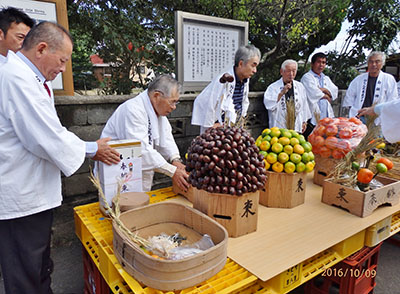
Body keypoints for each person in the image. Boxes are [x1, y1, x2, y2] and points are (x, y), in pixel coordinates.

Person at [0, 21, 120, 294]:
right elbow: (46, 136)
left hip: (32, 193)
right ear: (42, 48)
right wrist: (93, 149)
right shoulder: (16, 78)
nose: (64, 69)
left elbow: (50, 130)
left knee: (38, 267)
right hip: (21, 197)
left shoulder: (31, 78)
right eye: (63, 60)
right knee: (25, 276)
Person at [101, 74, 190, 192]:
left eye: (176, 103)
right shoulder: (133, 109)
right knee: (120, 204)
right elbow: (140, 149)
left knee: (140, 202)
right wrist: (172, 171)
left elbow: (166, 137)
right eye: (172, 102)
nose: (174, 107)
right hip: (118, 166)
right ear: (156, 96)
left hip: (136, 169)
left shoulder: (157, 110)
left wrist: (175, 159)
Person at [191, 45, 261, 133]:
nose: (255, 70)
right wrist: (212, 124)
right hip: (219, 131)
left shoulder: (245, 80)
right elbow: (207, 102)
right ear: (240, 64)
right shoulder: (223, 80)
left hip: (234, 127)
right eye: (253, 66)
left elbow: (243, 102)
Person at [342, 51, 398, 124]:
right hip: (359, 117)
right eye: (371, 62)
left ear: (382, 64)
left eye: (377, 62)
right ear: (368, 63)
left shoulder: (389, 79)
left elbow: (392, 100)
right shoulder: (358, 79)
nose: (373, 64)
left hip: (379, 118)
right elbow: (349, 98)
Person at [263, 59, 311, 132]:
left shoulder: (300, 86)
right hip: (279, 127)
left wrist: (304, 121)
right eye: (288, 71)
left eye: (294, 71)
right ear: (281, 71)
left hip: (296, 126)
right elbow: (268, 104)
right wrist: (281, 93)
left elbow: (304, 105)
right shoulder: (273, 87)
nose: (291, 74)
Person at [301, 52, 338, 124]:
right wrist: (326, 95)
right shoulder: (307, 77)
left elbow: (334, 92)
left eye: (323, 62)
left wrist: (324, 90)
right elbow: (313, 93)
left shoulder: (326, 78)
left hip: (326, 114)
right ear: (312, 64)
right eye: (318, 62)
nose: (321, 65)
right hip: (312, 115)